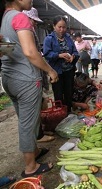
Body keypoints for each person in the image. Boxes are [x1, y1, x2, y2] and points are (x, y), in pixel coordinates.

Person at [0, 0, 58, 177]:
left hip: (9, 78)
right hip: (26, 80)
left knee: (27, 120)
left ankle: (33, 151)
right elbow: (31, 52)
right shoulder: (20, 17)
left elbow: (5, 49)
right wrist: (50, 70)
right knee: (27, 124)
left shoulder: (5, 18)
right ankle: (31, 166)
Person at [22, 7, 55, 143]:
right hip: (28, 76)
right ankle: (38, 136)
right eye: (32, 20)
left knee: (39, 105)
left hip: (32, 73)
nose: (34, 23)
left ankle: (39, 132)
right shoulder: (24, 31)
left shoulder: (30, 31)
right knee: (32, 111)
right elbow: (31, 53)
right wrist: (50, 70)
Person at [43, 15, 79, 113]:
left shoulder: (68, 38)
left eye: (64, 27)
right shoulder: (49, 39)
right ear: (54, 26)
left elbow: (75, 52)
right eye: (59, 27)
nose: (62, 29)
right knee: (58, 95)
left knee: (69, 93)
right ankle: (60, 114)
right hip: (56, 72)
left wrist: (73, 57)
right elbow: (46, 54)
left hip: (69, 71)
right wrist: (59, 55)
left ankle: (68, 113)